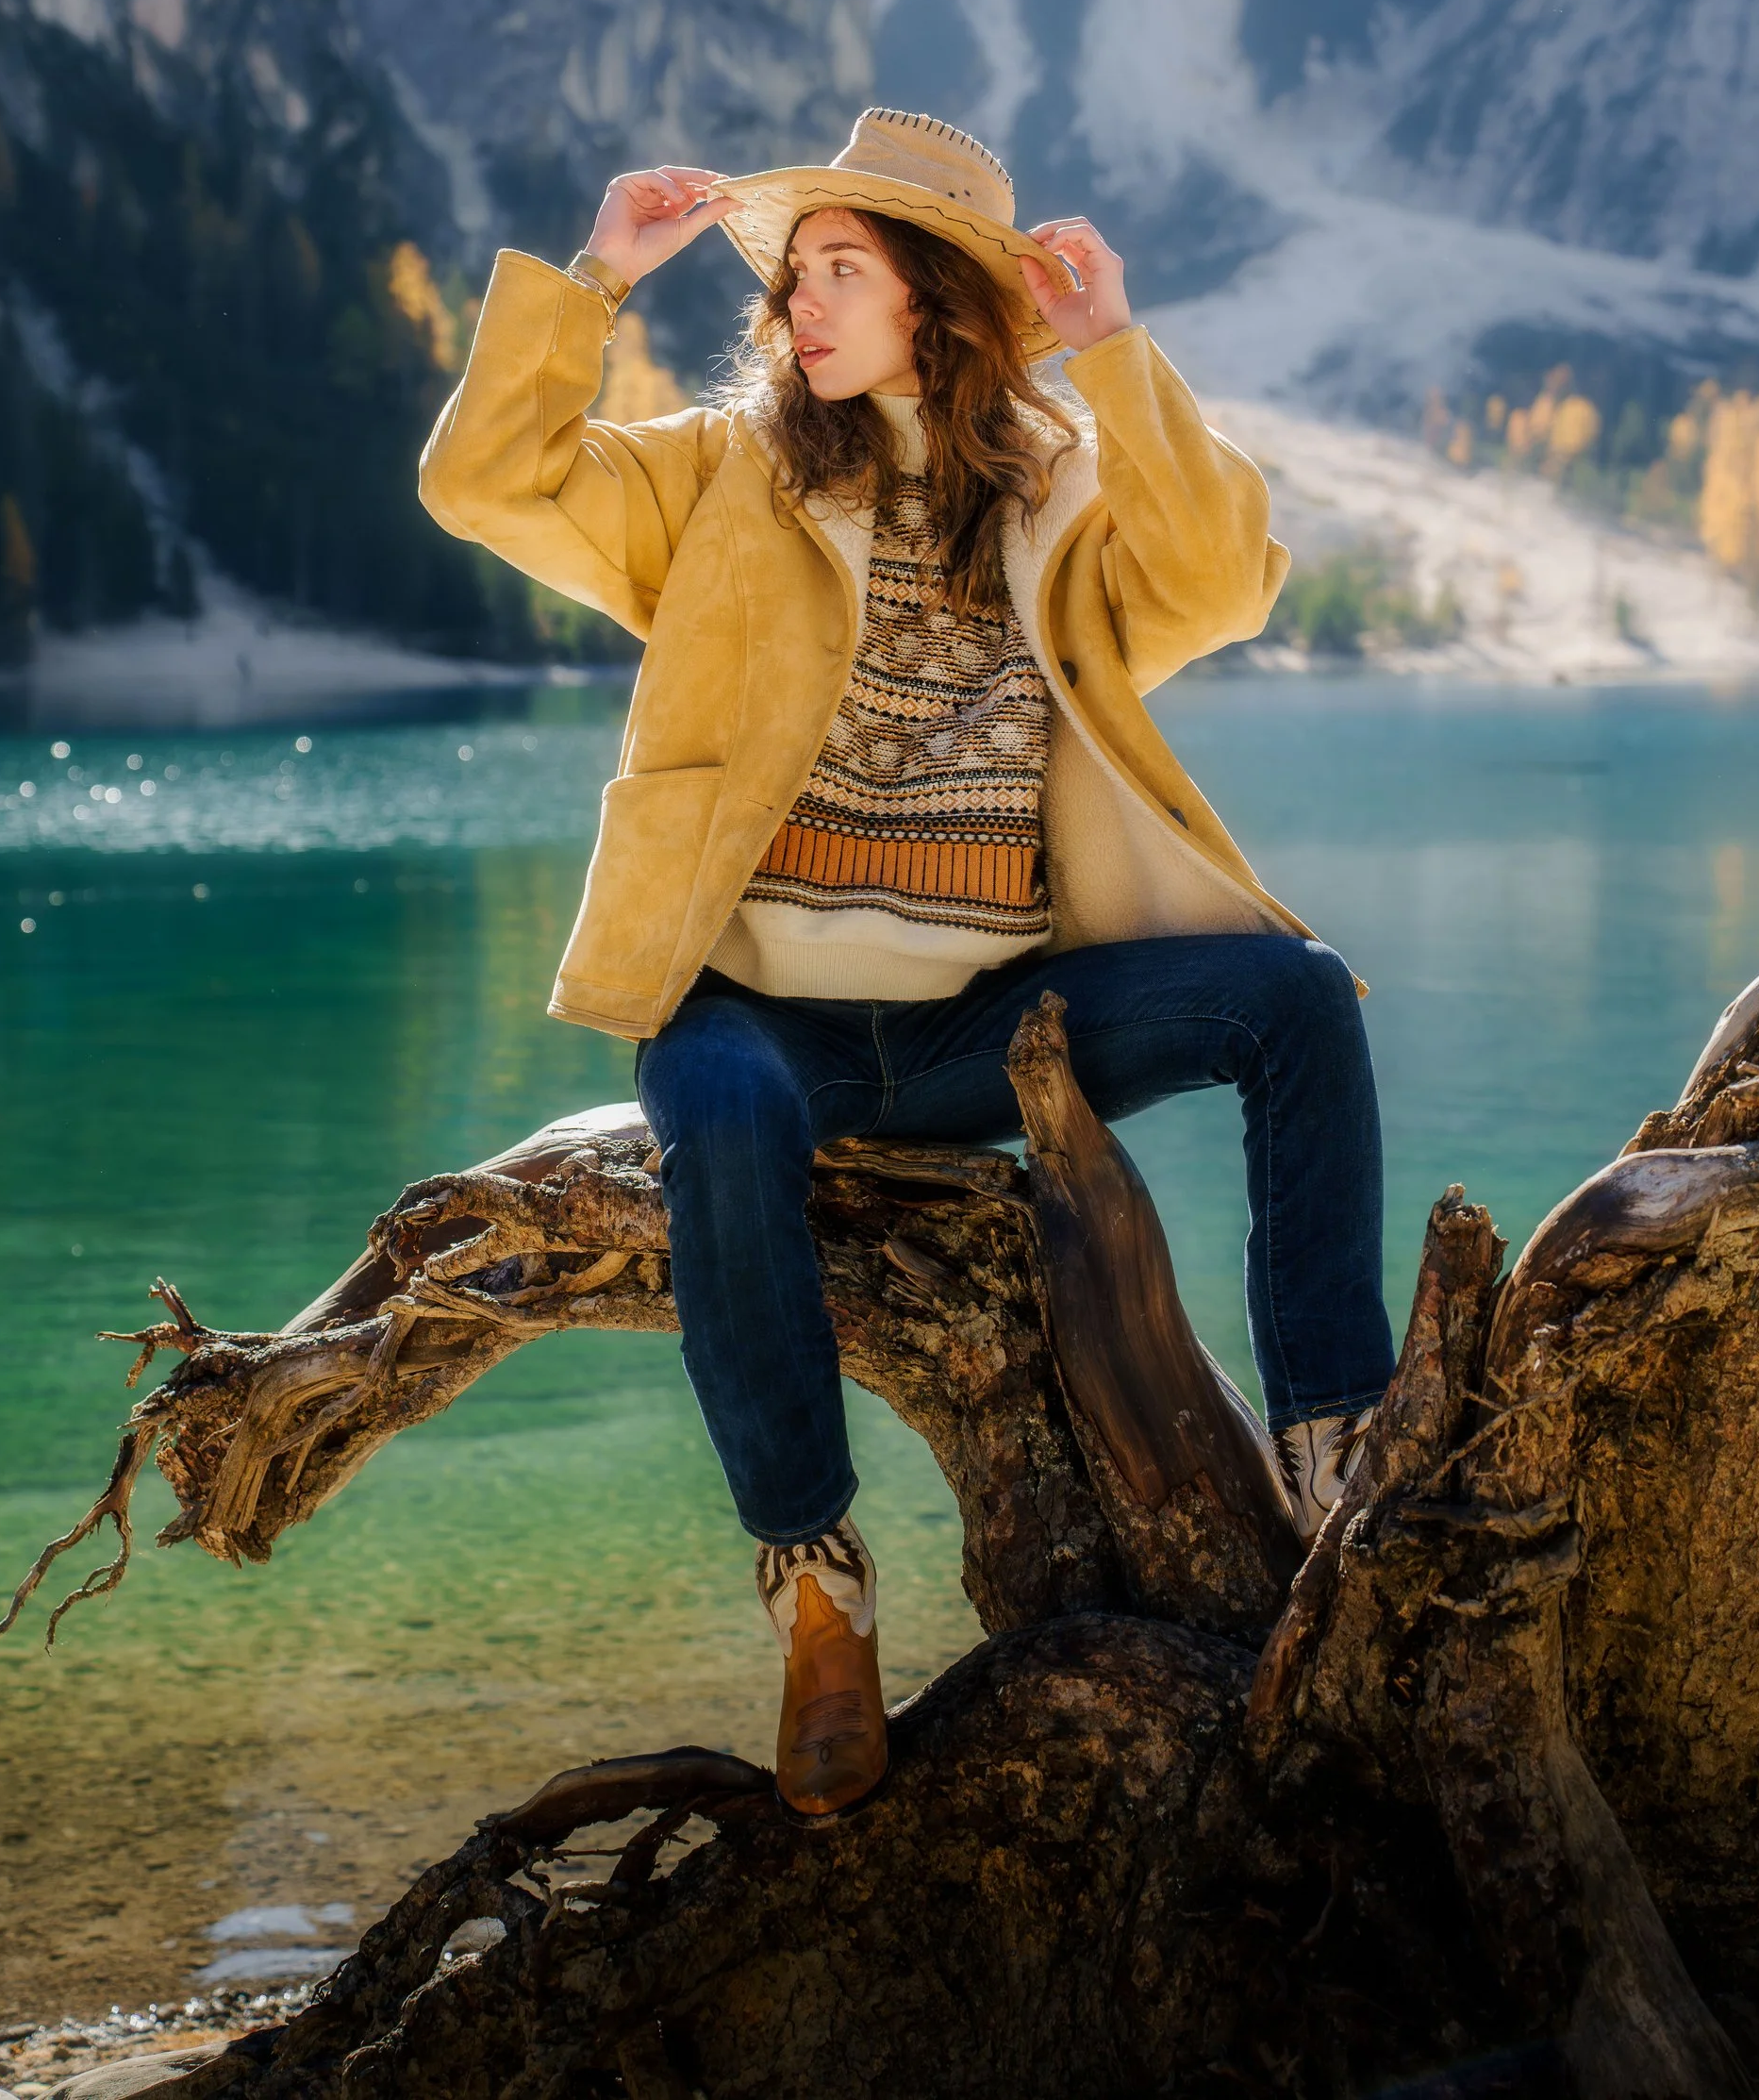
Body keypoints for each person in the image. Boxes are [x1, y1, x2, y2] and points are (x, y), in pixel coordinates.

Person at [417, 110, 1395, 1818]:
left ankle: (1337, 1455)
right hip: (758, 1023)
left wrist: (1115, 349)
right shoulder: (721, 475)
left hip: (982, 1035)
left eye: (840, 269)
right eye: (793, 276)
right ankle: (816, 1588)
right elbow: (480, 481)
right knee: (718, 1116)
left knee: (1296, 1001)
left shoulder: (1061, 493)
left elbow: (1228, 583)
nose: (800, 302)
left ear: (937, 300)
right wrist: (592, 276)